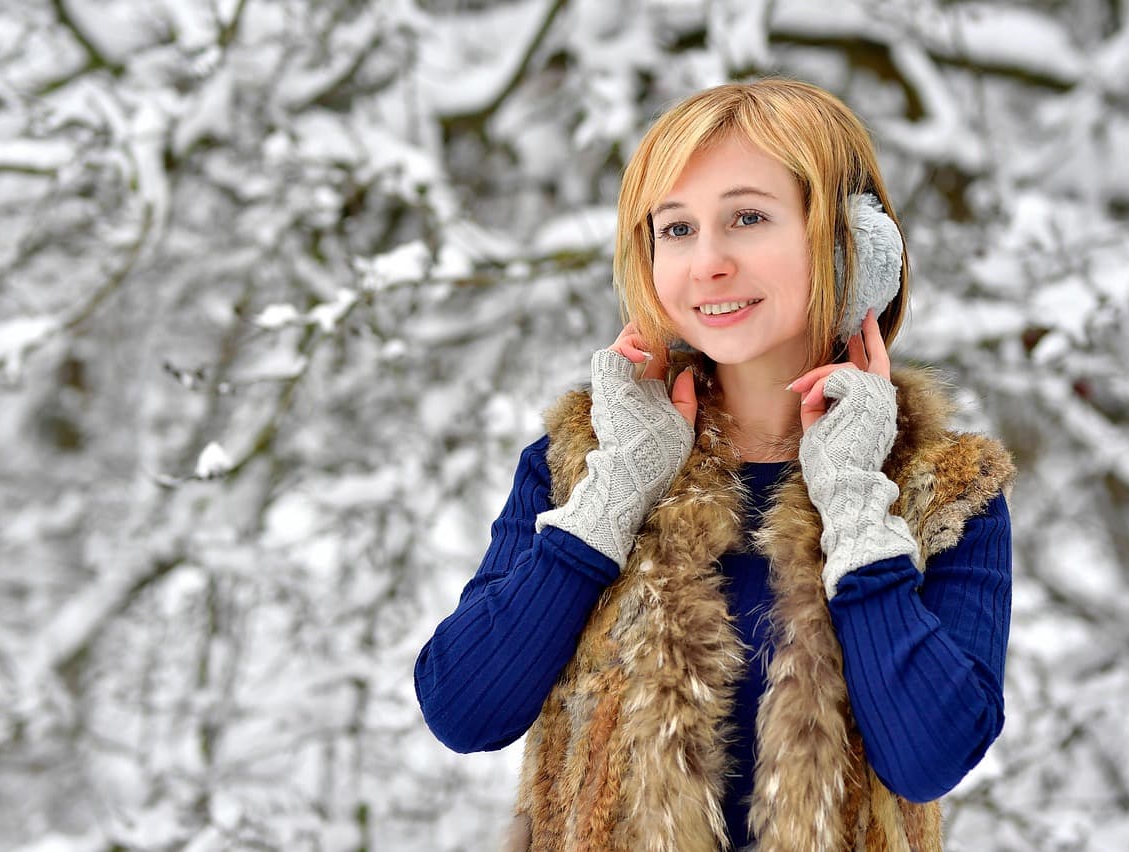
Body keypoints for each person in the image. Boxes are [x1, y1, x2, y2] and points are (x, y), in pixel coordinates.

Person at [414, 78, 1014, 852]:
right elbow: (464, 711)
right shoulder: (576, 467)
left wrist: (856, 503)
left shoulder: (944, 492)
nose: (708, 263)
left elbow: (927, 756)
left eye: (748, 218)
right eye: (676, 229)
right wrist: (617, 489)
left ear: (853, 247)